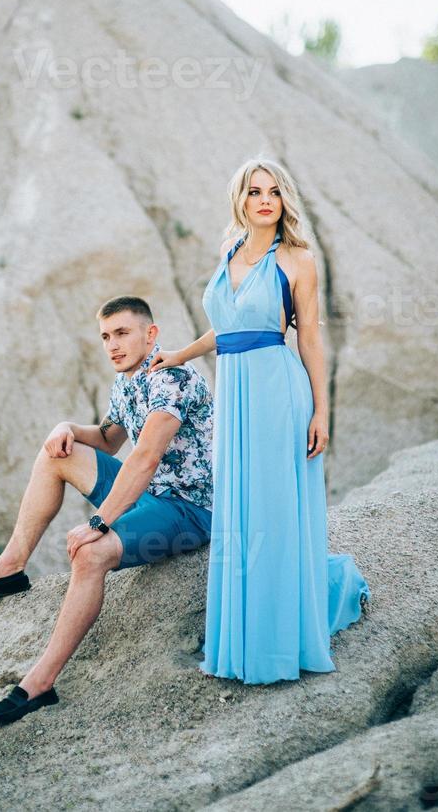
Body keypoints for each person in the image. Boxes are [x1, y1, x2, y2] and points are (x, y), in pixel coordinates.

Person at [148, 157, 370, 684]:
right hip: (236, 395)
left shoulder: (298, 259)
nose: (264, 199)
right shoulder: (228, 251)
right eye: (254, 192)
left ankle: (279, 641)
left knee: (272, 509)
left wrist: (322, 411)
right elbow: (226, 328)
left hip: (276, 391)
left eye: (273, 191)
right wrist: (179, 354)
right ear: (240, 201)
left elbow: (309, 337)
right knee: (242, 514)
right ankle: (242, 637)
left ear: (283, 199)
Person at [0, 295, 215, 723]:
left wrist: (98, 522)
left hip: (188, 509)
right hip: (147, 493)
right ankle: (10, 568)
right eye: (106, 336)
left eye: (123, 333)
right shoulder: (128, 382)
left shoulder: (172, 378)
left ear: (151, 334)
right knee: (56, 452)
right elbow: (110, 440)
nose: (113, 345)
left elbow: (144, 459)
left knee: (89, 554)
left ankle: (39, 684)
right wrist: (65, 428)